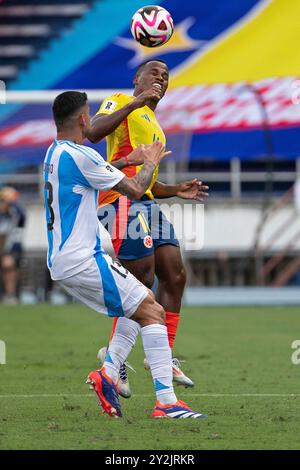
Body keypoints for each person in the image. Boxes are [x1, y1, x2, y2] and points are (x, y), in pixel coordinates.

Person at [44, 90, 207, 419]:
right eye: (88, 113)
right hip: (83, 260)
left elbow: (92, 171)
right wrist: (148, 163)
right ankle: (165, 402)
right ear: (83, 119)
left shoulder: (56, 153)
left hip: (63, 261)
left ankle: (109, 371)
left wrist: (126, 161)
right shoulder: (82, 155)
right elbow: (134, 189)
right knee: (153, 311)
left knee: (142, 303)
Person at [87, 59, 209, 396]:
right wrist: (135, 101)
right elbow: (93, 133)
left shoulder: (155, 123)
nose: (161, 78)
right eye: (154, 72)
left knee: (175, 273)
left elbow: (149, 181)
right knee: (140, 280)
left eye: (166, 75)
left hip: (146, 202)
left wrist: (175, 190)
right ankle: (115, 361)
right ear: (136, 79)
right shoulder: (119, 102)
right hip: (120, 199)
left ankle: (164, 355)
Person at [0, 186, 26, 304]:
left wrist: (11, 203)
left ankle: (10, 295)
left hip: (12, 249)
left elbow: (21, 215)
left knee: (8, 264)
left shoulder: (16, 214)